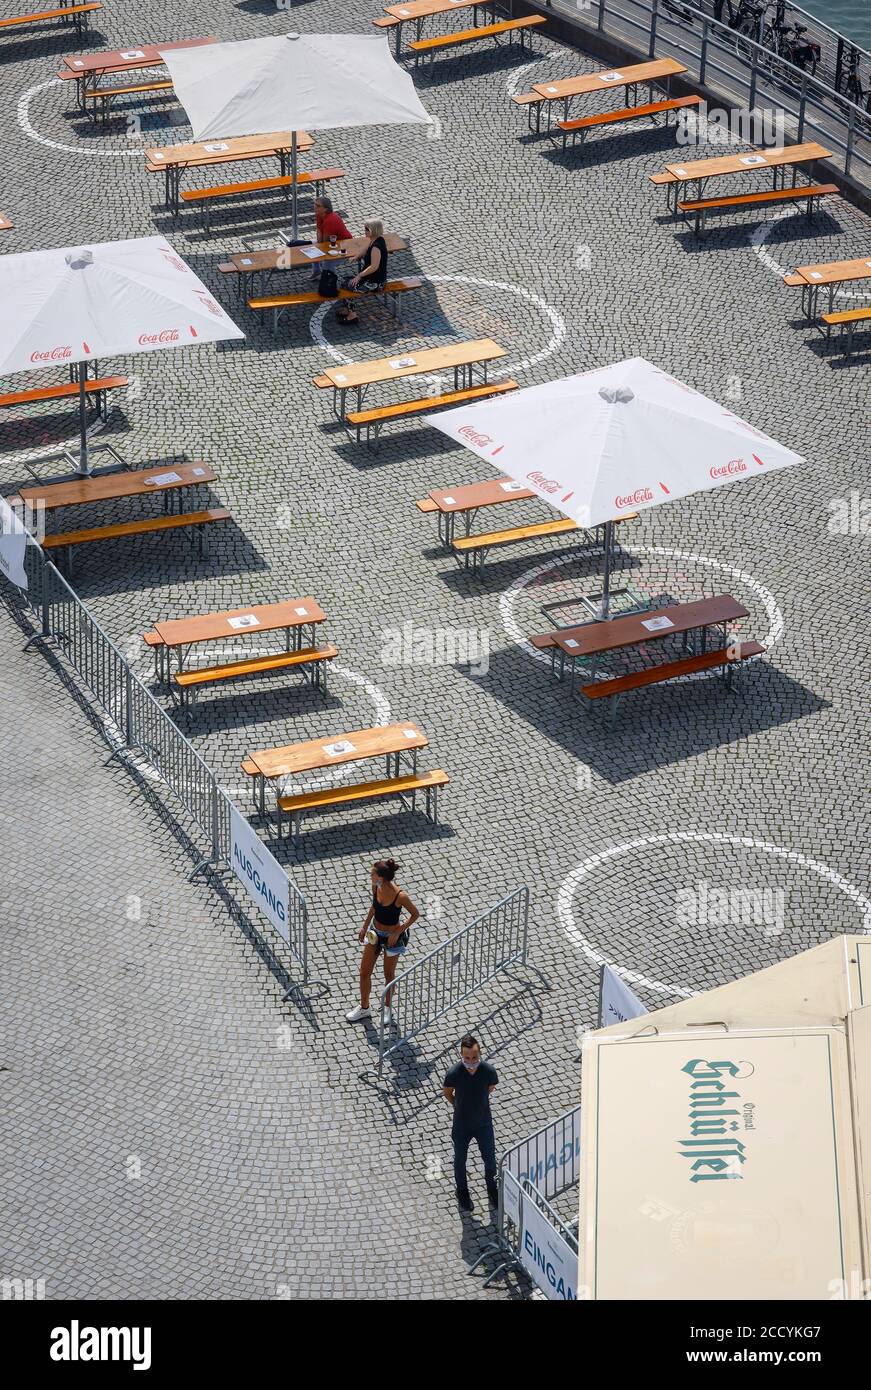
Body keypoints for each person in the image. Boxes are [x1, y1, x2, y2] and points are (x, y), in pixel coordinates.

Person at [346, 860, 419, 1024]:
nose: (370, 876)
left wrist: (398, 932)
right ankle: (364, 1008)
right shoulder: (376, 886)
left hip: (392, 938)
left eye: (372, 873)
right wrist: (364, 927)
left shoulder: (400, 896)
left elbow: (415, 914)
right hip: (374, 934)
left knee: (388, 975)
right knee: (364, 972)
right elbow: (374, 907)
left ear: (381, 877)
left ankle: (387, 1008)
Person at [443, 1034, 499, 1213]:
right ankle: (462, 1192)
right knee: (460, 1160)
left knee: (490, 1159)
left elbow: (490, 1088)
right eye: (467, 1057)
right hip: (462, 1125)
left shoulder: (488, 1071)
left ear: (479, 1053)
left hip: (483, 1123)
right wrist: (458, 1105)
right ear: (461, 1055)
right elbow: (448, 1092)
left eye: (474, 1057)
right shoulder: (454, 1073)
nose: (471, 1061)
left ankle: (492, 1190)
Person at [335, 218, 388, 326]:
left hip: (376, 282)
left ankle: (352, 314)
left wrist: (359, 276)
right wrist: (357, 256)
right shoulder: (377, 240)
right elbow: (366, 248)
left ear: (372, 230)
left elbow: (374, 267)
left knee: (348, 285)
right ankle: (347, 309)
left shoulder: (376, 248)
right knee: (344, 281)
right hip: (372, 279)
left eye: (366, 229)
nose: (364, 231)